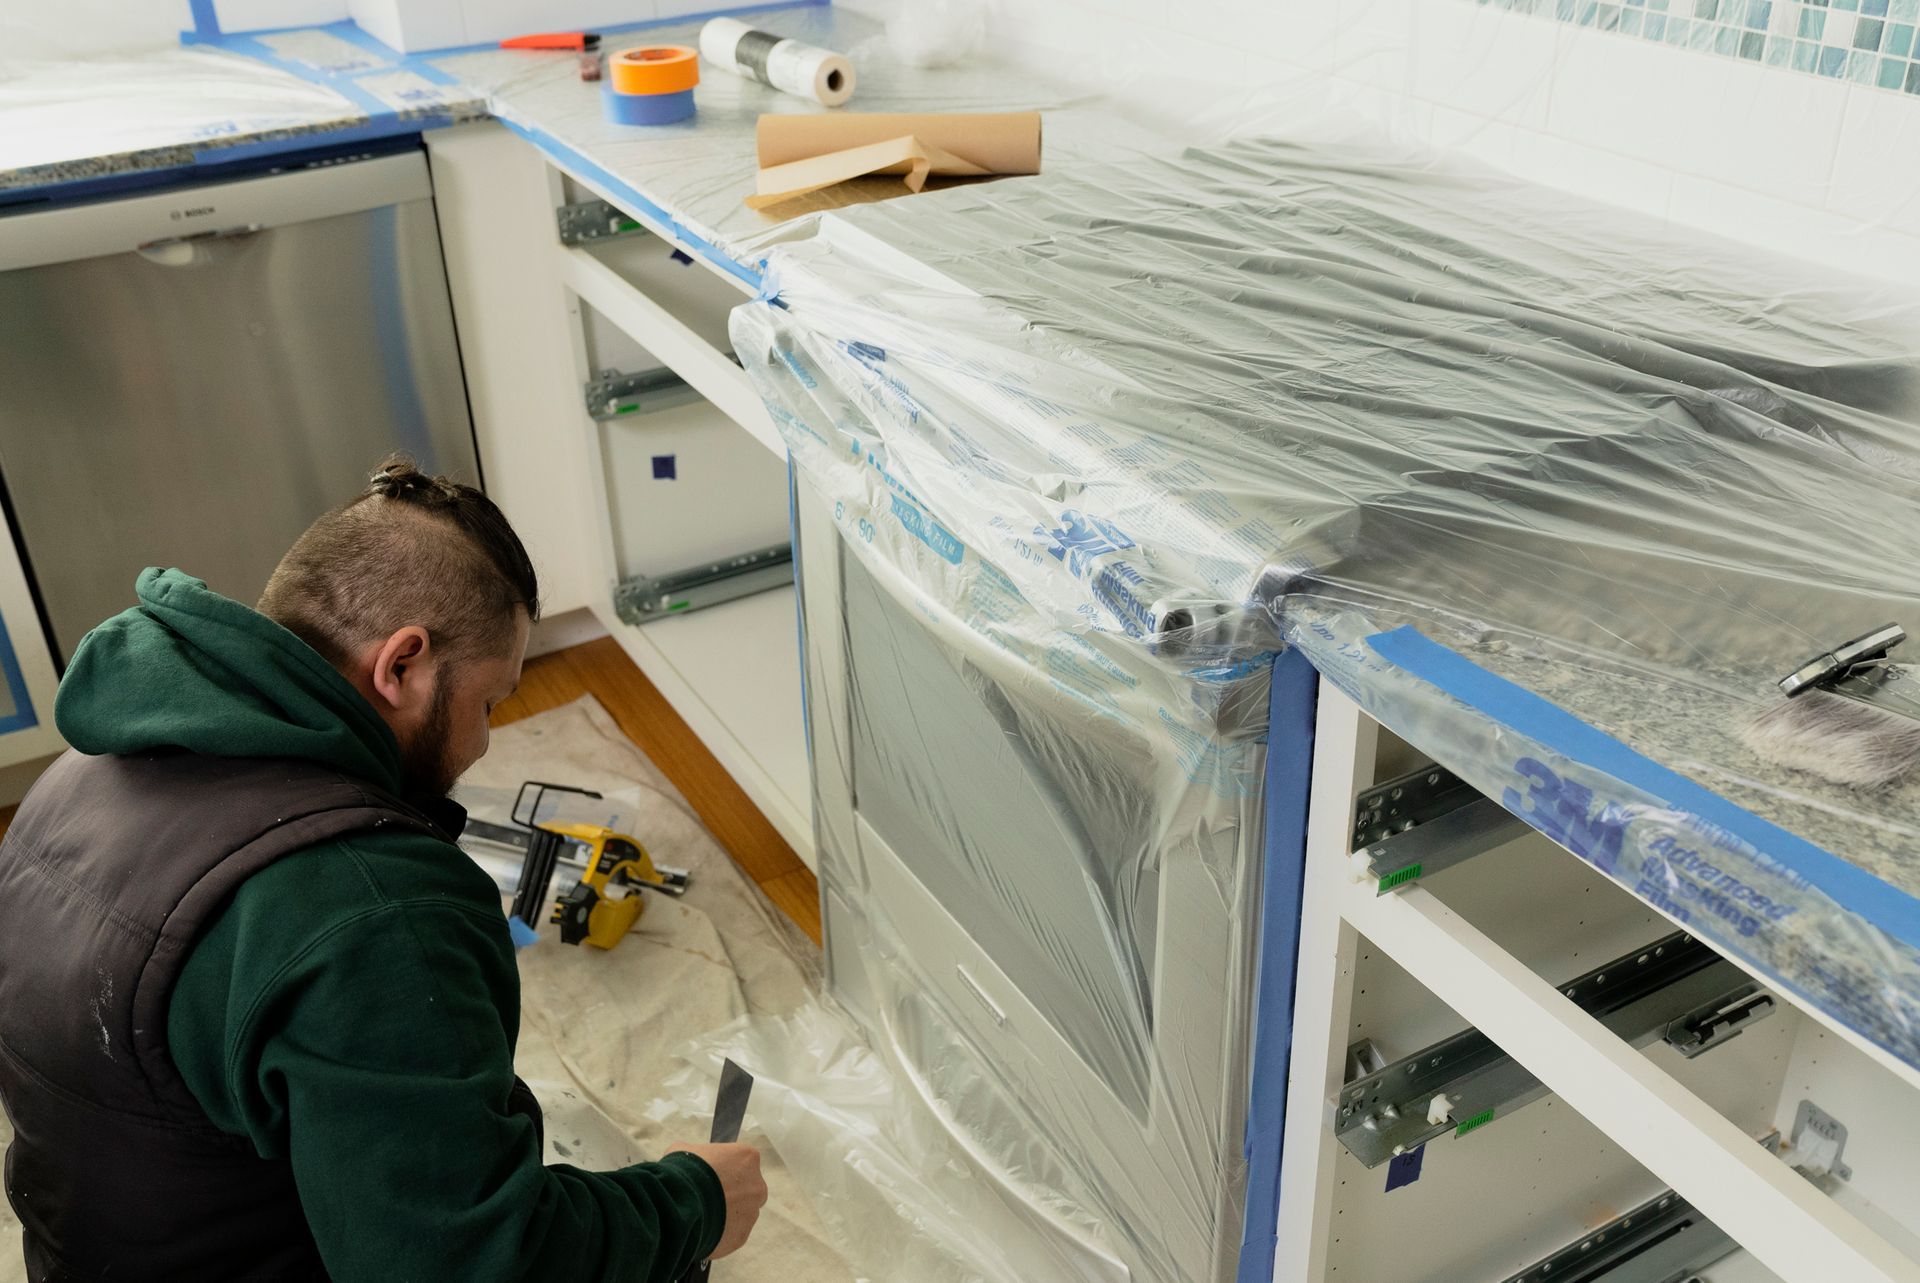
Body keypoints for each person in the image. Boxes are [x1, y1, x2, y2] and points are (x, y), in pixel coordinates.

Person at [0, 459, 767, 1281]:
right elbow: (477, 1263)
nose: (479, 745)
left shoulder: (77, 774)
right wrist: (695, 1202)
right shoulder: (374, 909)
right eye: (489, 703)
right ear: (401, 664)